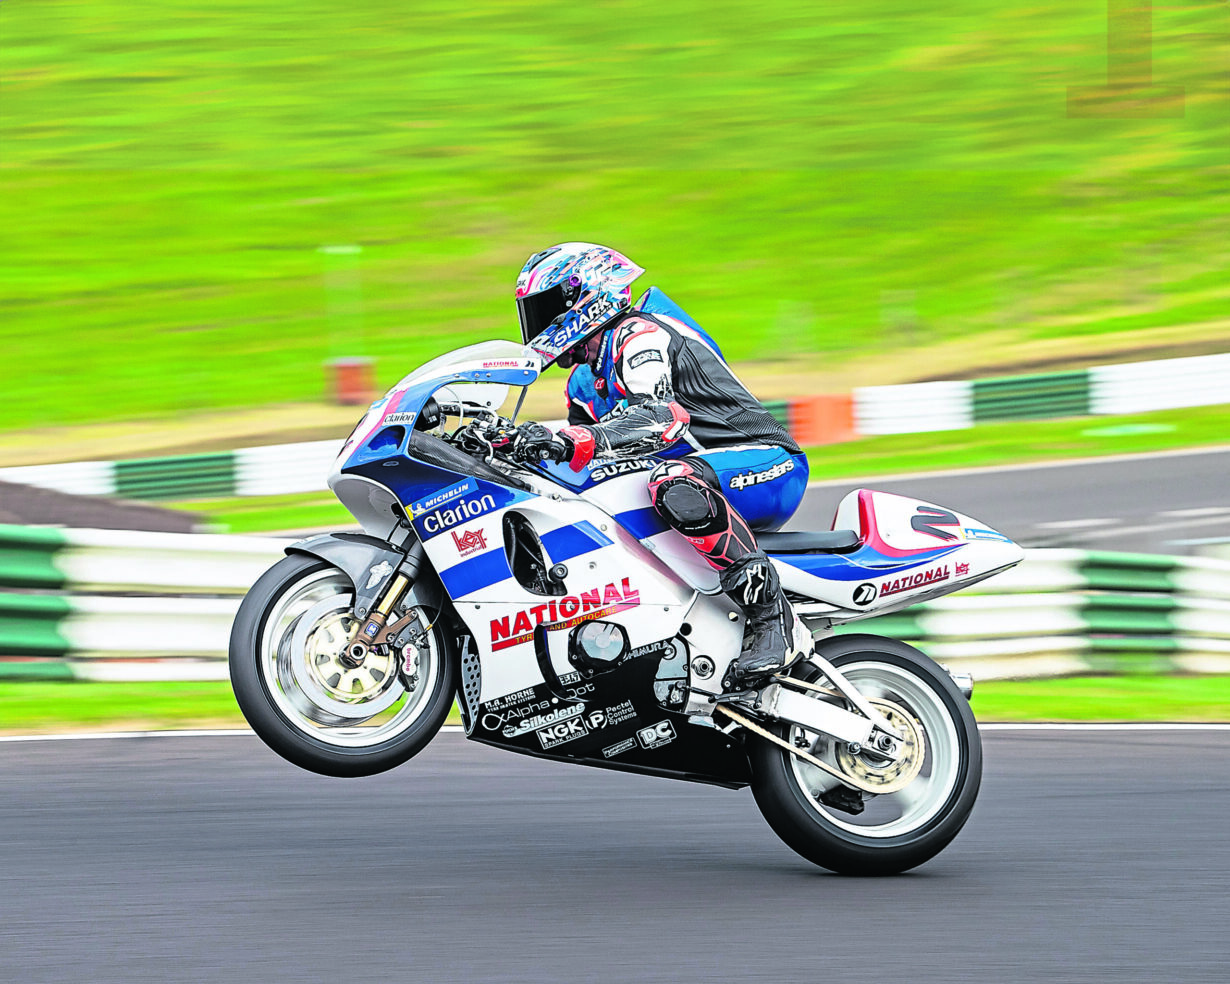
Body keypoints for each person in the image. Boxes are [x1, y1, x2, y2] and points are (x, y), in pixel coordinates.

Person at [511, 242, 810, 687]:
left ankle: (772, 620)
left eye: (545, 308)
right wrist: (514, 449)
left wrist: (570, 439)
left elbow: (660, 418)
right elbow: (581, 466)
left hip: (766, 464)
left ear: (586, 294)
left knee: (673, 480)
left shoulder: (640, 336)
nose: (536, 325)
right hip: (697, 486)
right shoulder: (582, 382)